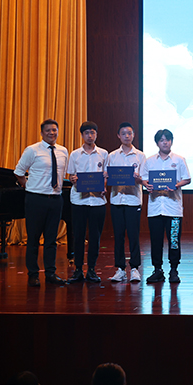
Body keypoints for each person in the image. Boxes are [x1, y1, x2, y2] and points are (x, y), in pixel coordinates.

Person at [14, 119, 69, 287]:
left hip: (56, 199)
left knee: (51, 239)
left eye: (54, 130)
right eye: (48, 130)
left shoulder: (63, 151)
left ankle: (50, 273)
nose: (51, 133)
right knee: (33, 239)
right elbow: (18, 171)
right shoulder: (32, 150)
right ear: (42, 133)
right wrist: (28, 186)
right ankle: (33, 274)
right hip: (36, 199)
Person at [141, 129, 191, 284]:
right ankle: (157, 270)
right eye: (162, 140)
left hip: (173, 208)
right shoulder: (149, 161)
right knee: (155, 241)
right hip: (155, 208)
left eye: (167, 140)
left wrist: (177, 185)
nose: (165, 142)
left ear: (171, 142)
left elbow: (187, 179)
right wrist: (146, 185)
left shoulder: (179, 160)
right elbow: (143, 179)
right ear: (157, 143)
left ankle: (174, 270)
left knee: (174, 240)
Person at [66, 121, 108, 283]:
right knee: (78, 236)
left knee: (95, 237)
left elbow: (106, 176)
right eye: (87, 133)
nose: (90, 136)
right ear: (82, 135)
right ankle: (77, 269)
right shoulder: (75, 154)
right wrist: (73, 179)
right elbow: (71, 175)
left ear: (96, 134)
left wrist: (104, 186)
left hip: (98, 201)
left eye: (92, 132)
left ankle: (91, 269)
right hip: (79, 200)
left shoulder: (103, 154)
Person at [105, 122, 146, 283]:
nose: (127, 136)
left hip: (133, 200)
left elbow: (144, 179)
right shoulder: (112, 155)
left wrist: (138, 178)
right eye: (123, 133)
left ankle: (135, 269)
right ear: (118, 136)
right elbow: (107, 176)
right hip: (117, 200)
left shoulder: (140, 156)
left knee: (134, 235)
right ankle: (120, 269)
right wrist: (106, 178)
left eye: (129, 133)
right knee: (118, 236)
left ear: (133, 135)